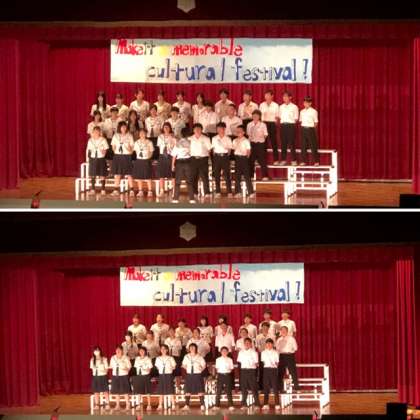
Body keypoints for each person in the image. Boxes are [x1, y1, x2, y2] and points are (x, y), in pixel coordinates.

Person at [171, 127, 195, 204]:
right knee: (189, 181)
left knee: (178, 181)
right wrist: (173, 165)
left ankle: (176, 198)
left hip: (180, 162)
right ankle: (191, 199)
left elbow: (174, 155)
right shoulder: (190, 142)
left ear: (181, 134)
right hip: (187, 161)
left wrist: (172, 165)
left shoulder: (180, 142)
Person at [111, 121, 134, 197]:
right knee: (117, 174)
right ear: (119, 128)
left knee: (129, 173)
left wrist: (129, 150)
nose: (123, 128)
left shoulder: (129, 136)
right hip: (118, 156)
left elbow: (132, 147)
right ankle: (116, 190)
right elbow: (113, 146)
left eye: (125, 126)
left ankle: (132, 190)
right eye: (122, 127)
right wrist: (115, 151)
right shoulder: (116, 135)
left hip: (126, 156)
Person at [189, 123, 212, 198]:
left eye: (199, 129)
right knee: (193, 176)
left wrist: (208, 158)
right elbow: (187, 149)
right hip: (193, 159)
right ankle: (194, 192)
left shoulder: (206, 138)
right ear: (193, 130)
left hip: (203, 159)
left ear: (202, 130)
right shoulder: (189, 139)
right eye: (196, 129)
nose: (197, 130)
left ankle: (207, 192)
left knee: (204, 176)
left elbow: (209, 149)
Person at [181, 343, 206, 411]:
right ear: (189, 349)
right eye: (191, 347)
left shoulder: (199, 356)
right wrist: (187, 368)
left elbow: (204, 365)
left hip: (197, 374)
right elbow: (183, 365)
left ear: (196, 348)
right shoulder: (186, 356)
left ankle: (202, 405)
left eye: (193, 347)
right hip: (189, 374)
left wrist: (201, 369)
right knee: (188, 390)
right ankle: (186, 405)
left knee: (200, 389)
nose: (192, 348)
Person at [237, 338, 260, 409]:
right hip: (243, 370)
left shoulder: (254, 352)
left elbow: (256, 363)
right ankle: (244, 404)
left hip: (251, 371)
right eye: (245, 343)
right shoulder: (241, 352)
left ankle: (257, 404)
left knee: (253, 388)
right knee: (244, 388)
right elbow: (239, 362)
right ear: (244, 344)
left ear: (251, 344)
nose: (247, 344)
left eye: (248, 343)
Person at [211, 122, 233, 197]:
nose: (219, 130)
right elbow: (213, 149)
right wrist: (216, 156)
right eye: (218, 128)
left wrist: (225, 155)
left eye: (221, 128)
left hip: (225, 157)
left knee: (227, 174)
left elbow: (229, 150)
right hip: (217, 157)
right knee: (217, 174)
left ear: (224, 129)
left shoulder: (228, 138)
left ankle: (229, 191)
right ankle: (218, 192)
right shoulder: (214, 138)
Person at [86, 126, 109, 195]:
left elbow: (106, 148)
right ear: (93, 132)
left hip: (101, 158)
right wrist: (87, 159)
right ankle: (93, 189)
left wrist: (104, 152)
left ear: (99, 132)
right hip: (93, 158)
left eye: (97, 131)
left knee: (102, 174)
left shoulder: (103, 140)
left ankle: (103, 189)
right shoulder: (90, 140)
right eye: (94, 132)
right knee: (93, 174)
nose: (96, 133)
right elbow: (88, 150)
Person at [232, 125, 254, 197]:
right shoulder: (234, 140)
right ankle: (238, 192)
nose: (238, 132)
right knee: (237, 176)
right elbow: (234, 149)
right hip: (237, 158)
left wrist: (246, 159)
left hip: (244, 159)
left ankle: (251, 192)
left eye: (240, 131)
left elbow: (248, 151)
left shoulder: (246, 140)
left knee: (247, 176)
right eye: (237, 131)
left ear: (243, 132)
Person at [247, 109, 269, 181]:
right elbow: (248, 134)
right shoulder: (249, 124)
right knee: (251, 160)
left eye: (256, 116)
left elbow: (265, 134)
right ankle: (251, 175)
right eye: (253, 116)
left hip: (260, 144)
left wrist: (260, 137)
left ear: (259, 116)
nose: (255, 117)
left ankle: (264, 176)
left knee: (262, 160)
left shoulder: (263, 124)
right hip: (252, 143)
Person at [276, 326, 300, 391]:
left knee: (293, 371)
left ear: (287, 331)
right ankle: (279, 387)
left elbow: (295, 348)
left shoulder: (291, 339)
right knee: (280, 372)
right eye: (282, 330)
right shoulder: (279, 339)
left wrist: (289, 351)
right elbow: (277, 349)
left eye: (284, 330)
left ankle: (296, 386)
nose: (283, 331)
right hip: (281, 356)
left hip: (290, 355)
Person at [259, 89, 280, 164]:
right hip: (263, 124)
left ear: (272, 96)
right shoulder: (262, 105)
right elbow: (259, 116)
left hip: (272, 124)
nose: (267, 96)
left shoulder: (276, 105)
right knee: (263, 142)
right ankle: (262, 159)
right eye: (266, 95)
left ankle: (276, 160)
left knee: (273, 142)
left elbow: (277, 116)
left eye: (268, 95)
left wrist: (275, 124)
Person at [279, 91, 299, 166]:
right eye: (283, 96)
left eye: (286, 96)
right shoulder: (281, 107)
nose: (284, 98)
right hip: (283, 126)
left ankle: (294, 160)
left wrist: (291, 124)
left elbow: (296, 118)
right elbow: (280, 117)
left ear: (290, 97)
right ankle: (283, 160)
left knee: (291, 143)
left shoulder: (294, 107)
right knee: (283, 143)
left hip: (291, 126)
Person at [157, 122, 177, 197]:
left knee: (172, 174)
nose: (166, 128)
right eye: (164, 127)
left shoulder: (173, 137)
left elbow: (175, 148)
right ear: (163, 128)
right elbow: (159, 147)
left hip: (170, 156)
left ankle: (174, 191)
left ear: (170, 128)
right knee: (161, 174)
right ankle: (162, 190)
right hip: (162, 156)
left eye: (167, 127)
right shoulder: (160, 137)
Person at [133, 128, 154, 198]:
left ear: (146, 134)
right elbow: (136, 151)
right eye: (141, 133)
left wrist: (148, 157)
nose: (142, 134)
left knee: (148, 176)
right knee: (139, 177)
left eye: (143, 133)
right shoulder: (136, 142)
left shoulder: (149, 142)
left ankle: (150, 191)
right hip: (139, 160)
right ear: (139, 134)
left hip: (146, 160)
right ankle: (140, 191)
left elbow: (151, 151)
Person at [261, 339, 280, 410]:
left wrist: (274, 365)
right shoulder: (263, 352)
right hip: (266, 370)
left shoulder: (275, 352)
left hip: (273, 370)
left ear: (272, 344)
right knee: (266, 387)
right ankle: (265, 404)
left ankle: (277, 404)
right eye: (267, 343)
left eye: (270, 343)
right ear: (266, 344)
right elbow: (263, 362)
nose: (269, 345)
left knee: (275, 387)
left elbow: (277, 362)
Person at [155, 344, 177, 410]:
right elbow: (157, 367)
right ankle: (160, 405)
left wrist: (168, 369)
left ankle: (173, 404)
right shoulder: (158, 358)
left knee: (170, 389)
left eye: (164, 349)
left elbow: (174, 367)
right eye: (162, 349)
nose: (163, 350)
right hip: (161, 375)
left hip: (169, 375)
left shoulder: (170, 358)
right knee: (161, 390)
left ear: (167, 350)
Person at [110, 345, 132, 410]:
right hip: (115, 375)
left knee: (125, 391)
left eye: (119, 350)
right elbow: (111, 366)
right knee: (116, 391)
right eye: (117, 350)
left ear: (122, 351)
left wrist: (125, 368)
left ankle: (128, 404)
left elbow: (129, 367)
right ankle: (117, 405)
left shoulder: (126, 357)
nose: (118, 351)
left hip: (124, 375)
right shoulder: (113, 357)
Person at [255, 322, 276, 390]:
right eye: (263, 327)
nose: (265, 328)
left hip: (270, 355)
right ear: (261, 328)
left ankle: (271, 386)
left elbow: (274, 346)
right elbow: (257, 346)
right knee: (261, 370)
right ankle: (261, 386)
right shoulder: (258, 336)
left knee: (270, 370)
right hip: (261, 354)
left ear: (268, 328)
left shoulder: (272, 336)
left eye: (266, 327)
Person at [299, 96, 319, 166]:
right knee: (303, 145)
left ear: (310, 103)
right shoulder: (302, 111)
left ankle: (316, 161)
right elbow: (300, 121)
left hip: (310, 129)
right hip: (303, 129)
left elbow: (316, 122)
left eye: (307, 102)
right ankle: (303, 161)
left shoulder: (314, 111)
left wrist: (311, 128)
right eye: (304, 102)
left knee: (313, 145)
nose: (305, 104)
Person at [213, 346, 235, 411]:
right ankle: (217, 405)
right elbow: (217, 368)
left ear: (228, 352)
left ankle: (231, 405)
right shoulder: (218, 359)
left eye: (225, 351)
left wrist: (227, 372)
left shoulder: (230, 359)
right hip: (220, 375)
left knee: (228, 390)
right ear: (221, 352)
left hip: (227, 375)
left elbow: (231, 368)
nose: (224, 352)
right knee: (219, 391)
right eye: (223, 351)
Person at [132, 346, 153, 411]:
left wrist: (145, 369)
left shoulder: (148, 359)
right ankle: (138, 404)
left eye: (143, 351)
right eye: (140, 351)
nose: (141, 352)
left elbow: (150, 368)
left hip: (146, 375)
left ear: (145, 352)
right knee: (139, 391)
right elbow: (136, 367)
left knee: (148, 391)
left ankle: (149, 405)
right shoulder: (137, 359)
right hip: (139, 376)